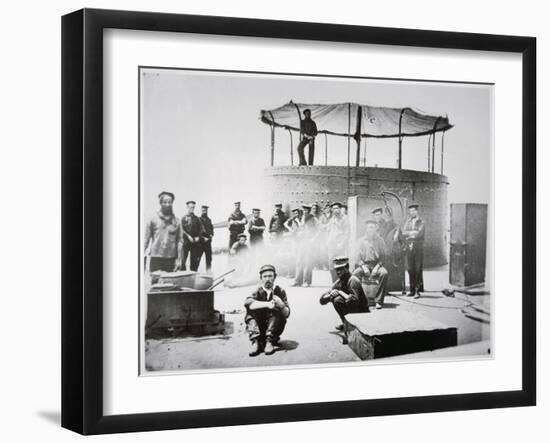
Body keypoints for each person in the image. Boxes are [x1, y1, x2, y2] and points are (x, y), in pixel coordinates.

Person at [319, 257, 369, 344]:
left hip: (362, 313)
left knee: (338, 300)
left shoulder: (353, 280)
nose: (338, 272)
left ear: (347, 268)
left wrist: (340, 292)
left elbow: (354, 301)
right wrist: (330, 295)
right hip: (354, 311)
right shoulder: (340, 282)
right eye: (336, 270)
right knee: (334, 298)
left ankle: (349, 329)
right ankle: (346, 323)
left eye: (340, 269)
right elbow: (322, 300)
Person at [244, 265, 290, 356]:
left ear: (275, 277)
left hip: (274, 328)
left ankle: (269, 342)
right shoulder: (257, 290)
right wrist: (268, 304)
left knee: (276, 311)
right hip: (258, 328)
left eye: (270, 276)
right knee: (250, 314)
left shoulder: (280, 291)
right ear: (261, 278)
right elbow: (248, 303)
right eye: (265, 276)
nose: (267, 279)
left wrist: (281, 305)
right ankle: (255, 342)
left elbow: (287, 314)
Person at [144, 191, 183, 273]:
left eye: (170, 202)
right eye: (165, 202)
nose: (167, 205)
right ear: (160, 203)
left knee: (170, 284)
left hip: (171, 259)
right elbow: (146, 240)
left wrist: (179, 259)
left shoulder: (177, 221)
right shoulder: (153, 219)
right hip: (156, 258)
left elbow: (180, 240)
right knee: (156, 284)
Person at [353, 220, 389, 309]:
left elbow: (384, 256)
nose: (371, 230)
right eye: (369, 228)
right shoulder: (361, 241)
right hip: (365, 265)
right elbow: (357, 257)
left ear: (376, 229)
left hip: (377, 264)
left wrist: (377, 266)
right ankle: (358, 299)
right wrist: (363, 267)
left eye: (372, 228)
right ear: (366, 229)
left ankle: (378, 301)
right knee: (354, 275)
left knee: (384, 273)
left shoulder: (380, 240)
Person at [400, 203, 425, 298]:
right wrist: (412, 233)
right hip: (409, 248)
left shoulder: (421, 222)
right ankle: (411, 290)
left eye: (414, 210)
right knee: (410, 269)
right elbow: (403, 232)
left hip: (418, 248)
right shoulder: (408, 222)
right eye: (411, 211)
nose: (412, 212)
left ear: (417, 211)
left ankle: (417, 291)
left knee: (417, 269)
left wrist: (411, 234)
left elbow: (419, 234)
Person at [292, 204, 317, 287]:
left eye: (306, 210)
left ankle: (307, 281)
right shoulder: (300, 218)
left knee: (307, 262)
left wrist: (313, 239)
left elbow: (317, 230)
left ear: (309, 211)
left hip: (309, 242)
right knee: (299, 261)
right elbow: (297, 229)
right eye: (303, 210)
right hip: (301, 242)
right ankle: (297, 281)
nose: (304, 212)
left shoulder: (312, 218)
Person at [326, 202, 349, 282]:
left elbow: (346, 232)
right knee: (331, 265)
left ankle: (343, 283)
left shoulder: (345, 219)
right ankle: (334, 282)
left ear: (340, 209)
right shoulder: (332, 219)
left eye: (337, 208)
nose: (335, 210)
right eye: (334, 208)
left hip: (341, 245)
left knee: (341, 265)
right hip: (332, 246)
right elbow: (328, 231)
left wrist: (342, 244)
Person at [181, 200, 204, 271]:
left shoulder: (197, 219)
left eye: (193, 207)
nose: (192, 209)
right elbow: (181, 229)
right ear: (187, 207)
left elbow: (201, 229)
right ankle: (183, 275)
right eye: (190, 207)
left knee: (194, 262)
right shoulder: (183, 218)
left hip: (194, 243)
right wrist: (188, 236)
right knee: (182, 260)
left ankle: (193, 275)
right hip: (186, 242)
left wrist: (198, 237)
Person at [199, 205, 214, 273]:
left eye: (205, 210)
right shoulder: (198, 219)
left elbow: (211, 230)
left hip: (208, 242)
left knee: (209, 258)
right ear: (201, 211)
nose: (204, 212)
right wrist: (202, 238)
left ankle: (208, 272)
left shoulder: (209, 220)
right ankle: (195, 272)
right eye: (203, 210)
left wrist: (210, 236)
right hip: (200, 243)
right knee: (198, 258)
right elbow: (197, 230)